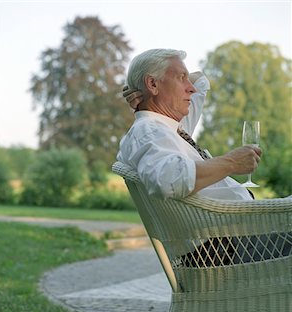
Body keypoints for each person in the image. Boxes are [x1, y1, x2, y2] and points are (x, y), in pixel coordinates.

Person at [116, 48, 292, 267]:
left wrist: (139, 88)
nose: (190, 88)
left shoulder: (171, 128)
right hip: (226, 248)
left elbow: (201, 84)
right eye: (181, 78)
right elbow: (168, 179)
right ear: (153, 84)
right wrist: (231, 162)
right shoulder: (150, 131)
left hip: (236, 240)